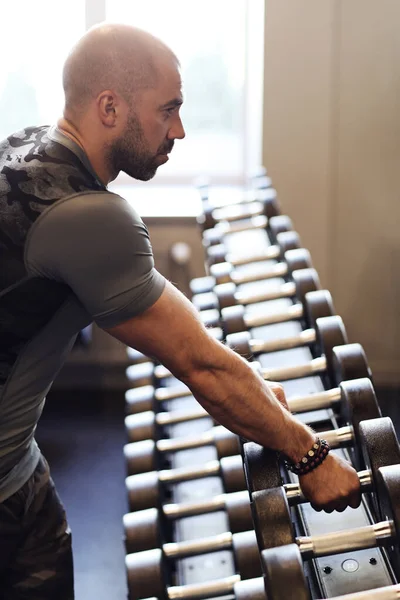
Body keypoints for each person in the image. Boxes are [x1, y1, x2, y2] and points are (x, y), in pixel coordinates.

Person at [0, 22, 360, 599]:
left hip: (18, 463)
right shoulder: (88, 215)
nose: (181, 130)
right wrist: (311, 455)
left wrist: (259, 395)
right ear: (110, 107)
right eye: (167, 111)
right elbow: (203, 367)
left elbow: (193, 337)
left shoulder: (26, 147)